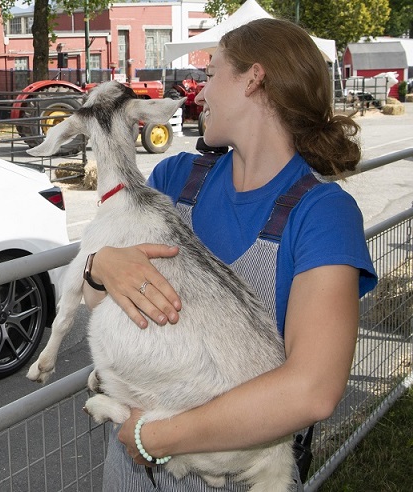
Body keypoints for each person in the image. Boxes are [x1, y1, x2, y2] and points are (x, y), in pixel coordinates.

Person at [81, 18, 378, 491]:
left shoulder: (322, 214)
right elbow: (102, 307)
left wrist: (155, 435)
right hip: (131, 475)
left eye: (212, 74)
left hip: (237, 475)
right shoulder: (173, 180)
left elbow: (313, 389)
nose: (198, 93)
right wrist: (100, 271)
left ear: (254, 78)